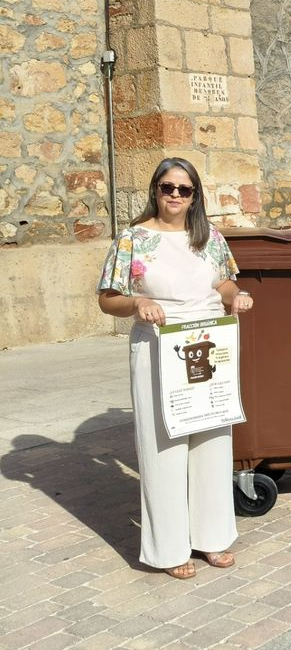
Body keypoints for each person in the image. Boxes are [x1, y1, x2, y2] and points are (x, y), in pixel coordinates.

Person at [97, 158, 254, 580]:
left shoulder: (209, 237)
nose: (175, 197)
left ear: (194, 196)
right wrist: (137, 303)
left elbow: (224, 282)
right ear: (156, 189)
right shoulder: (133, 239)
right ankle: (168, 549)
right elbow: (108, 297)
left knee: (212, 441)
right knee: (163, 446)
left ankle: (212, 537)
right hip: (159, 346)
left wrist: (236, 296)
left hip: (210, 343)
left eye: (185, 190)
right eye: (168, 187)